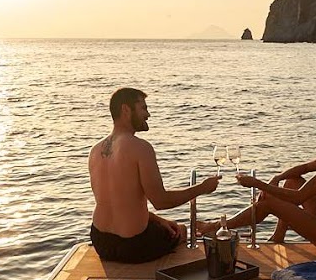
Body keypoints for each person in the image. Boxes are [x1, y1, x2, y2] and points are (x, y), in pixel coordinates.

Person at [202, 97, 316, 254]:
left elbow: (299, 197)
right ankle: (277, 237)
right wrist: (277, 178)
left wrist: (257, 184)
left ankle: (216, 226)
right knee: (292, 181)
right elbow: (306, 167)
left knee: (269, 202)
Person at [88, 87, 220, 263]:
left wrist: (158, 220)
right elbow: (161, 201)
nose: (148, 114)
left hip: (100, 241)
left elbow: (119, 202)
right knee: (181, 230)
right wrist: (202, 188)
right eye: (143, 108)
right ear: (126, 110)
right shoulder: (140, 147)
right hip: (133, 245)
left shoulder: (95, 150)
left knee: (166, 225)